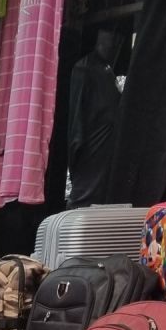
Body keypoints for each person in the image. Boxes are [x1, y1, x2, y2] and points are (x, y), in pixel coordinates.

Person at [68, 28, 121, 206]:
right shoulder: (85, 68)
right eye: (108, 37)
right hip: (89, 150)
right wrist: (76, 145)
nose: (112, 43)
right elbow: (77, 117)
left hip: (104, 152)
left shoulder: (106, 71)